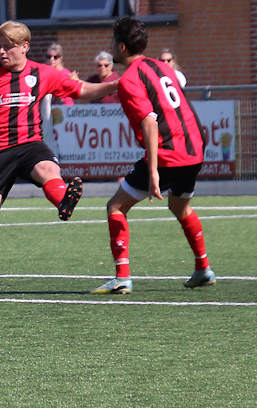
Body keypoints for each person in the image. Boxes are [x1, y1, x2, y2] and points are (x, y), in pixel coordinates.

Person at [0, 20, 119, 285]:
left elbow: (83, 89)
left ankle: (64, 202)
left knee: (49, 169)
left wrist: (116, 85)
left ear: (25, 46)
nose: (2, 52)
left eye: (8, 47)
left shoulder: (43, 73)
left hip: (30, 144)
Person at [91, 17, 214, 294]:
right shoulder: (161, 66)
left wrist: (154, 172)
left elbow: (149, 121)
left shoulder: (130, 79)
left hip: (169, 153)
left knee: (116, 207)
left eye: (113, 42)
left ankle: (122, 277)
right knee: (180, 208)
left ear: (122, 47)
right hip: (195, 148)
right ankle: (203, 268)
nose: (111, 46)